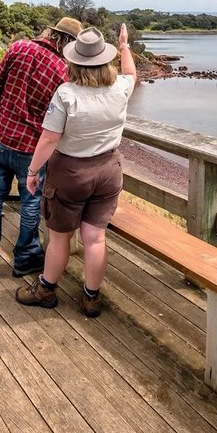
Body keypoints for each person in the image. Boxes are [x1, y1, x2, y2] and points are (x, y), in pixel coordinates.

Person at [16, 23, 136, 318]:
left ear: (74, 61)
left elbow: (50, 138)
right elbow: (132, 73)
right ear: (105, 59)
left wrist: (33, 171)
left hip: (70, 172)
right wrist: (124, 44)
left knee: (59, 237)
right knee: (95, 238)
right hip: (108, 169)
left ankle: (46, 289)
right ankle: (91, 297)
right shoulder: (120, 87)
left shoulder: (66, 93)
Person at [0, 17, 81, 279]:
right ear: (69, 44)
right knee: (30, 203)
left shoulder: (18, 48)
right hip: (32, 148)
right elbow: (62, 120)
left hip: (1, 138)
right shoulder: (63, 71)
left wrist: (0, 123)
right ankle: (25, 258)